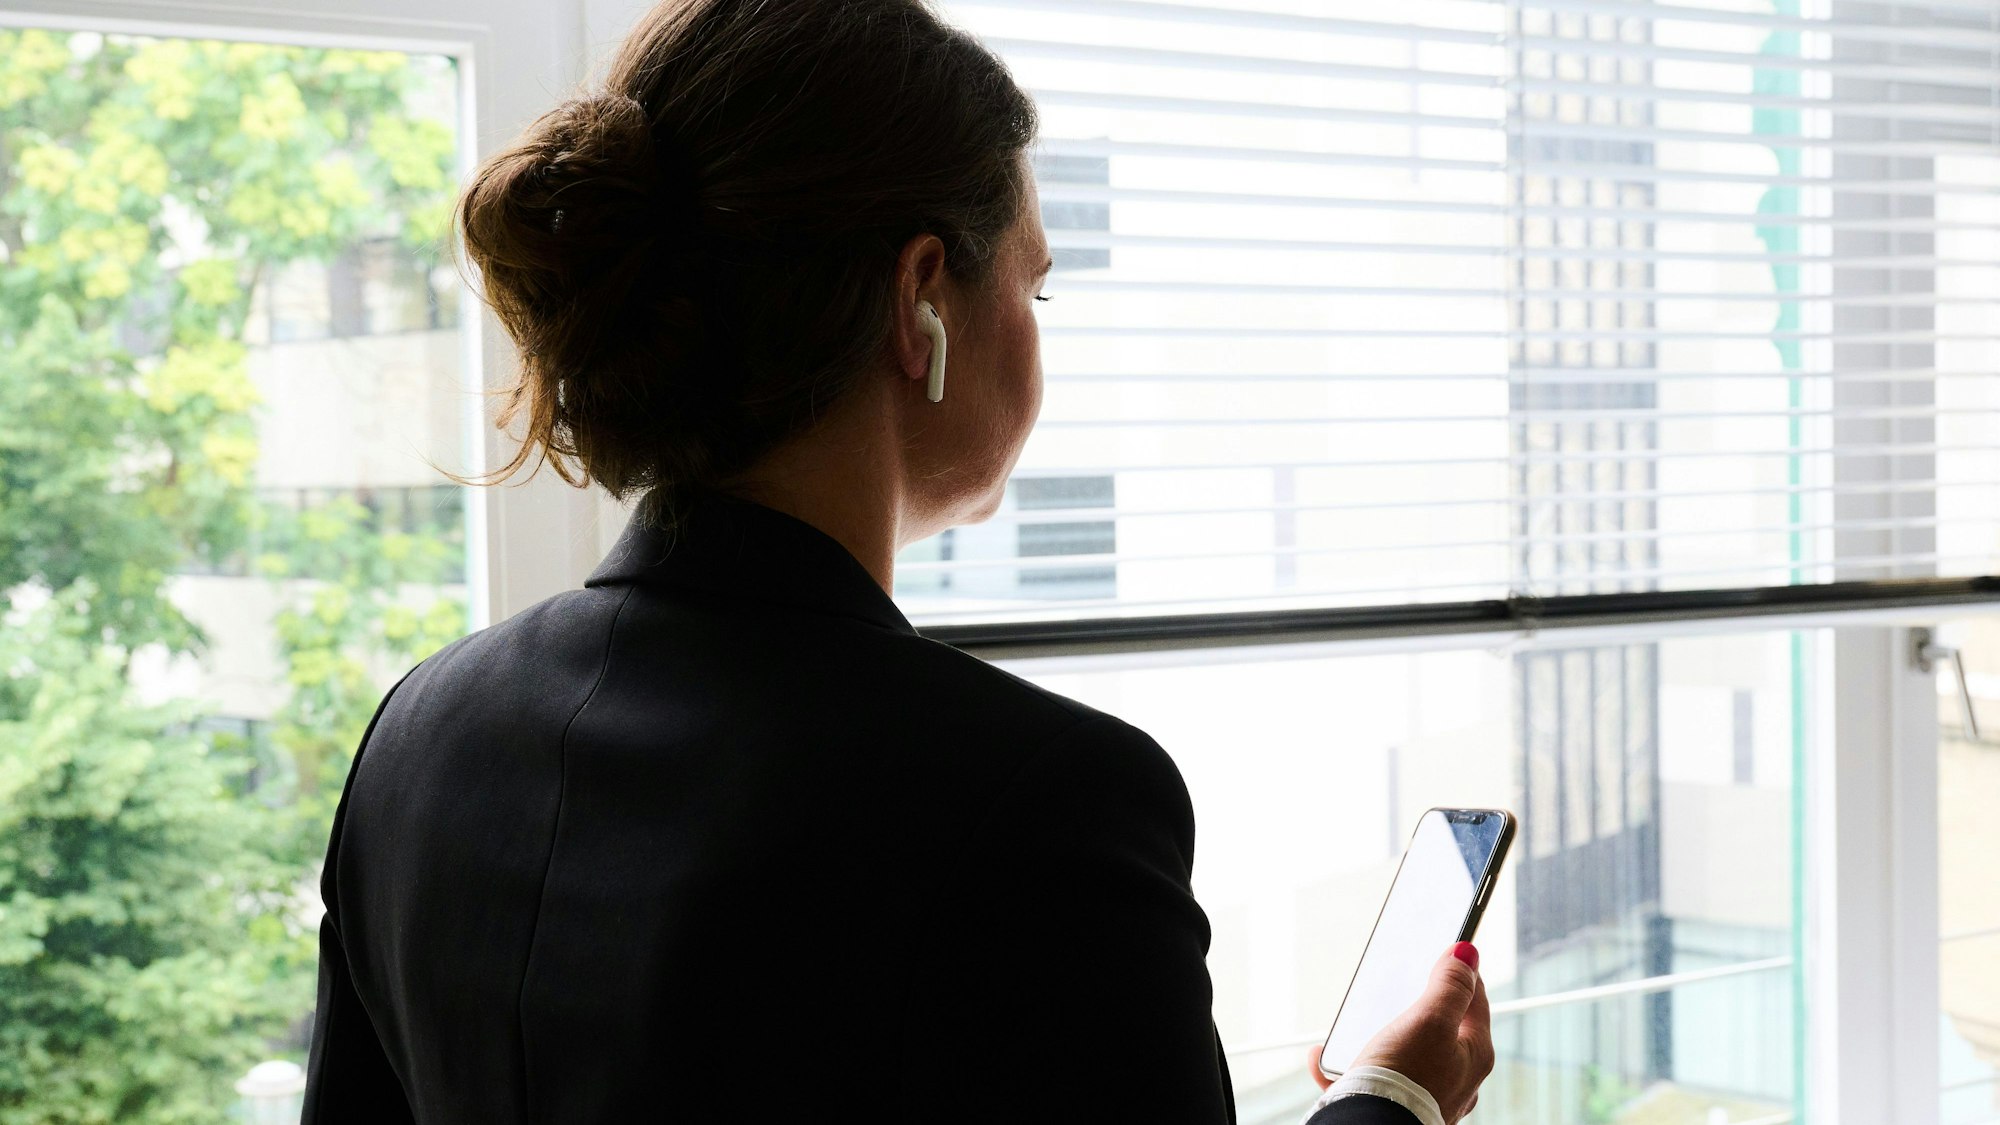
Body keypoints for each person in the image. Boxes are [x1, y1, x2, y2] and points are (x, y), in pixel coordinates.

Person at [301, 1, 1495, 1122]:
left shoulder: (420, 729)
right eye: (1031, 282)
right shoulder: (1038, 799)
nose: (1036, 328)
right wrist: (1389, 1099)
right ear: (921, 295)